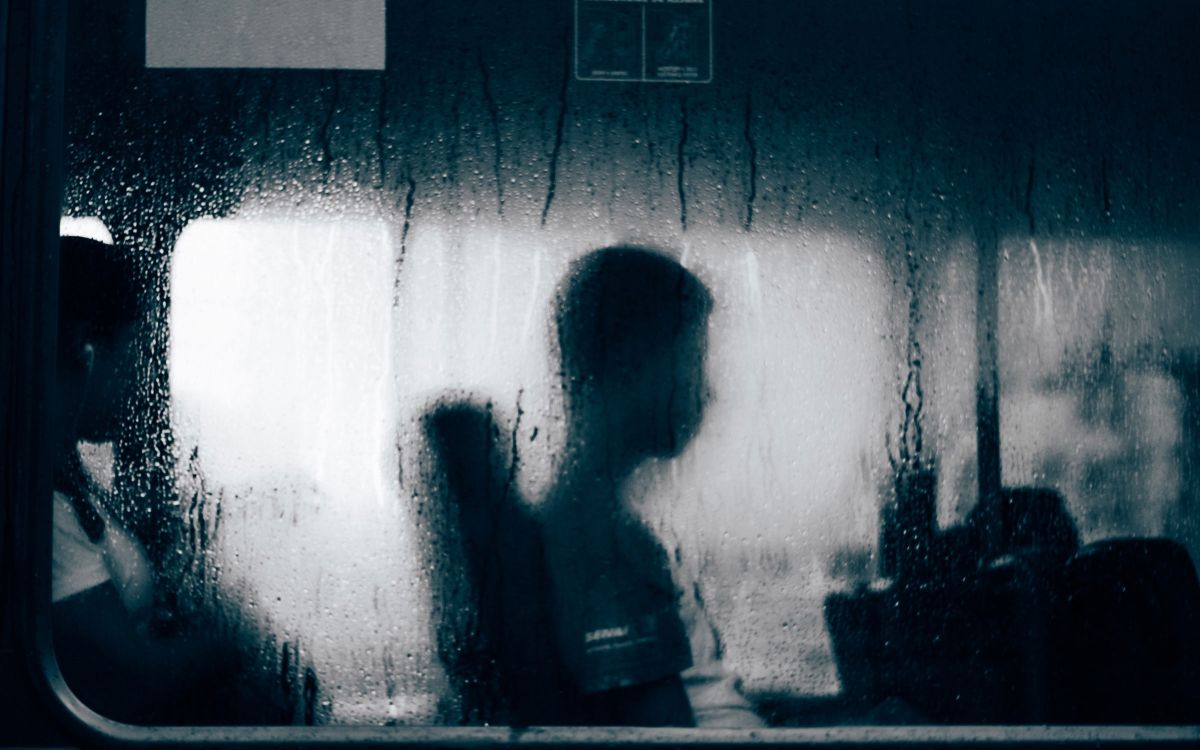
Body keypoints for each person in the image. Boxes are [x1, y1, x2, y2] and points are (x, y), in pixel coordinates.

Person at [540, 246, 763, 727]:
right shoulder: (602, 545)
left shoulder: (606, 526)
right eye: (693, 359)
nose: (708, 391)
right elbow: (663, 744)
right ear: (631, 364)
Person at [50, 235, 236, 724]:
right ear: (86, 350)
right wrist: (233, 642)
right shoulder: (42, 508)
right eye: (138, 350)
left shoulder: (69, 476)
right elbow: (132, 681)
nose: (144, 377)